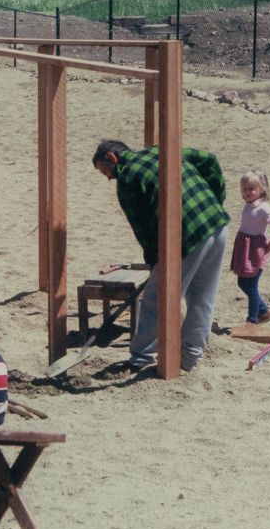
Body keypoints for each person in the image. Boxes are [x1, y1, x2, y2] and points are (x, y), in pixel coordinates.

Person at [92, 139, 229, 372]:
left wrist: (155, 262)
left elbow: (142, 228)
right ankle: (191, 357)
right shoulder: (162, 150)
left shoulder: (126, 178)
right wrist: (215, 199)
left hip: (185, 236)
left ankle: (141, 358)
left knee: (157, 298)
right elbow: (209, 160)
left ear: (112, 159)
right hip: (216, 223)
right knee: (202, 295)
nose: (109, 178)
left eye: (106, 172)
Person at [231, 169, 270, 324]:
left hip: (254, 251)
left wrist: (268, 248)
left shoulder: (264, 208)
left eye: (251, 189)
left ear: (262, 190)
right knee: (242, 282)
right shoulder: (249, 205)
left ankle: (253, 319)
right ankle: (264, 311)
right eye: (244, 189)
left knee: (251, 285)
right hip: (244, 248)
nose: (247, 192)